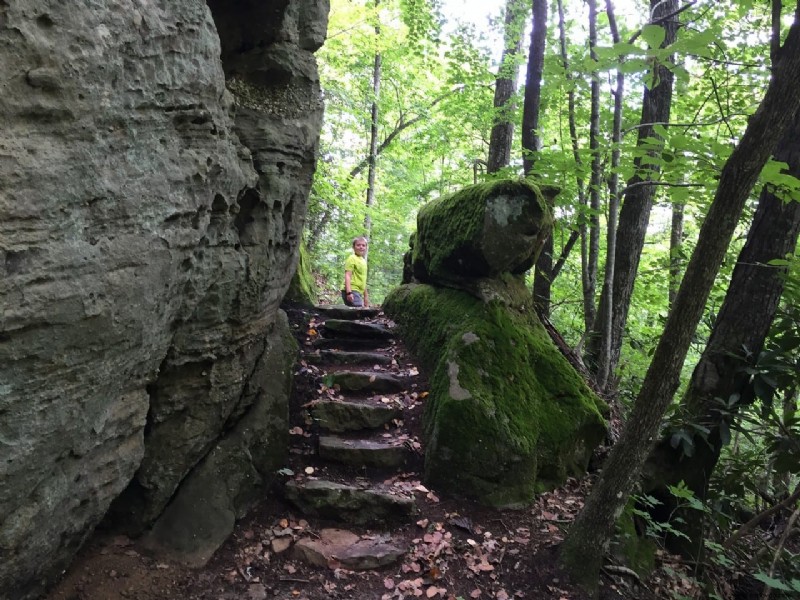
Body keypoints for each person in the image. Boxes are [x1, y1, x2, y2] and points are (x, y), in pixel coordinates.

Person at [342, 236, 369, 307]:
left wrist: (366, 297)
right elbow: (347, 275)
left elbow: (363, 280)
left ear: (366, 247)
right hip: (351, 289)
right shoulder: (352, 258)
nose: (361, 247)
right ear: (353, 247)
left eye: (363, 245)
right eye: (358, 245)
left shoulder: (363, 261)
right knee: (358, 312)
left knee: (357, 313)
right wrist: (349, 293)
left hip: (358, 291)